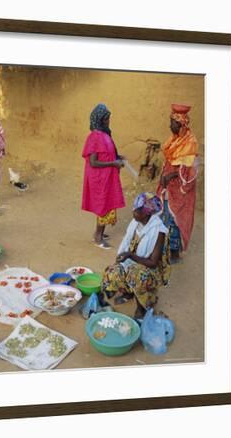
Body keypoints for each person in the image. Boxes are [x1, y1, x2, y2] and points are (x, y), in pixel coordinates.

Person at [100, 192, 171, 319]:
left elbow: (153, 262)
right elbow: (126, 243)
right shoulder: (135, 223)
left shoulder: (159, 231)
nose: (133, 212)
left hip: (150, 270)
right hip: (132, 261)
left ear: (147, 213)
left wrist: (130, 256)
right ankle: (128, 292)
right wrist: (123, 258)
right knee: (113, 271)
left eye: (137, 210)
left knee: (136, 275)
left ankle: (142, 307)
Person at [156, 104, 199, 264]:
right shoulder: (174, 140)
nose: (170, 125)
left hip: (181, 188)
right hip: (169, 185)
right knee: (165, 215)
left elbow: (191, 170)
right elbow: (170, 160)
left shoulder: (190, 142)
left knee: (176, 219)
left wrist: (172, 175)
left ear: (181, 124)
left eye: (172, 122)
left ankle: (174, 252)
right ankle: (164, 249)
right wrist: (165, 176)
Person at [81, 103, 126, 249]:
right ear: (100, 120)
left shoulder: (105, 134)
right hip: (100, 179)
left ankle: (99, 231)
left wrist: (117, 157)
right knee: (104, 205)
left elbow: (107, 153)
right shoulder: (95, 136)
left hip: (107, 177)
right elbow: (93, 162)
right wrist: (114, 163)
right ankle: (98, 237)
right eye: (106, 119)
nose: (108, 122)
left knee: (107, 203)